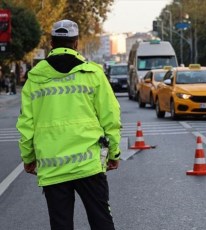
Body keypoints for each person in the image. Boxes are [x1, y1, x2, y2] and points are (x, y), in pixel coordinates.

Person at [16, 19, 121, 230]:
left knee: (61, 224)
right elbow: (111, 116)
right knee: (101, 220)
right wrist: (114, 153)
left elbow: (26, 124)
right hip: (89, 164)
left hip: (53, 168)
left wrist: (28, 158)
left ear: (51, 43)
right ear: (76, 43)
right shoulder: (93, 73)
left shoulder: (35, 78)